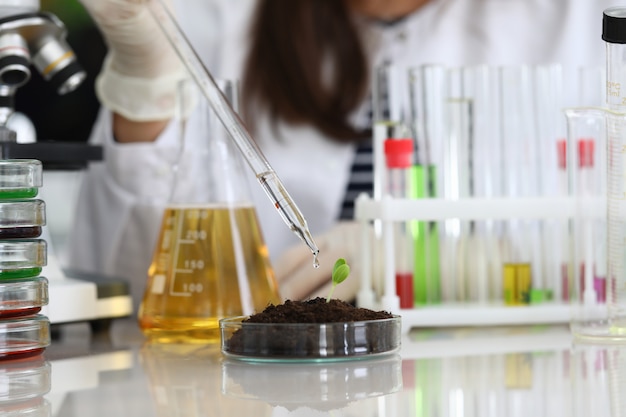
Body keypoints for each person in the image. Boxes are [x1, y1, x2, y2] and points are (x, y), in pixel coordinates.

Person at [69, 0, 614, 308]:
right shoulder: (211, 17)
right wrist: (145, 90)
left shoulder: (592, 22)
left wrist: (445, 268)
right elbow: (123, 294)